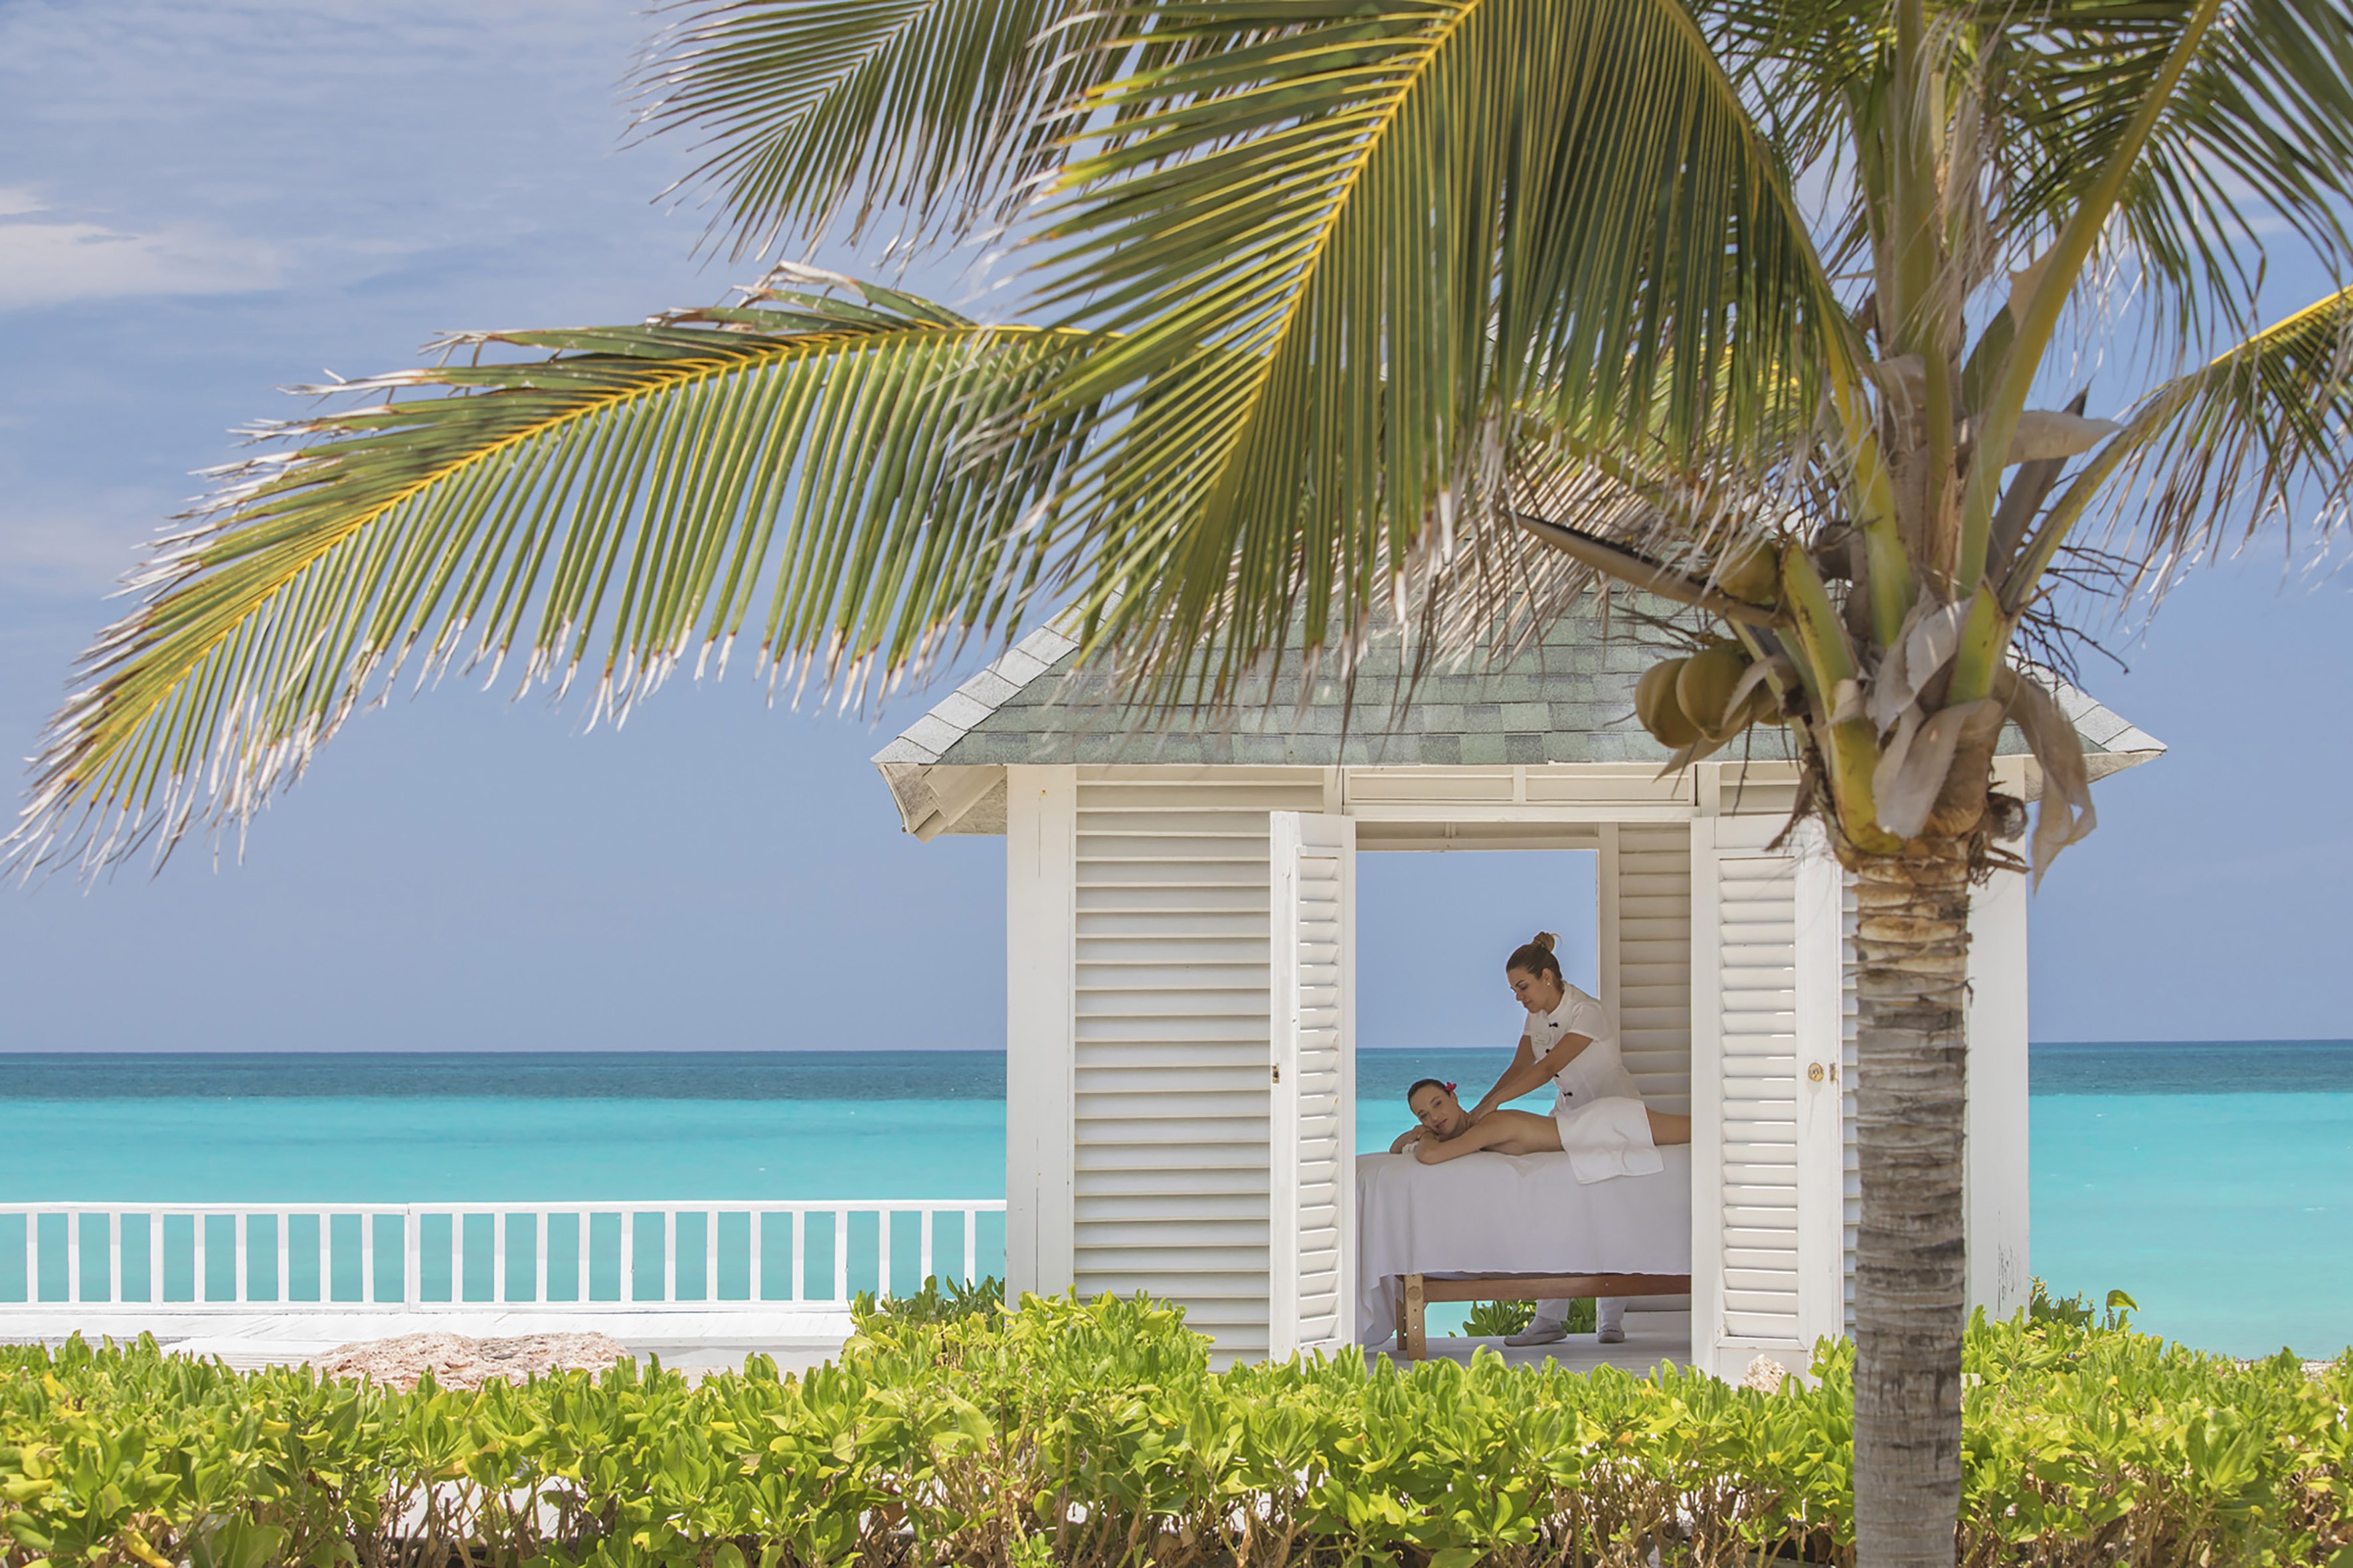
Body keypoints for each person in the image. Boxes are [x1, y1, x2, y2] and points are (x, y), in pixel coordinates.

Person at [1467, 930, 1687, 1347]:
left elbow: (1545, 1068)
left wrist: (1489, 1110)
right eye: (1514, 990)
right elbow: (1521, 1064)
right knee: (1558, 1211)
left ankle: (1611, 1321)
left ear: (1547, 977)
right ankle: (1549, 1318)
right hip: (1570, 1118)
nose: (1519, 998)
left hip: (1613, 1117)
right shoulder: (1536, 1016)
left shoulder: (1588, 1012)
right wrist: (1482, 1108)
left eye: (1523, 987)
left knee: (1616, 1212)